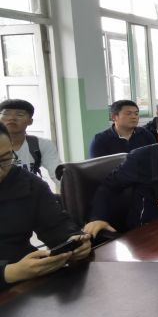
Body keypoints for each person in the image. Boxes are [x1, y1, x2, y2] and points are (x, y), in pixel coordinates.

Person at [0, 122, 91, 291]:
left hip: (25, 275)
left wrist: (73, 240)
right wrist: (8, 273)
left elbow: (55, 225)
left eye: (5, 159)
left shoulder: (27, 183)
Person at [0, 99, 61, 187]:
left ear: (30, 121)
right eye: (6, 114)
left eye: (20, 114)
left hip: (29, 192)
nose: (12, 118)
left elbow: (57, 174)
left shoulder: (41, 145)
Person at [89, 99, 157, 158]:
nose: (134, 117)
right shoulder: (100, 140)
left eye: (136, 114)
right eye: (128, 114)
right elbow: (98, 167)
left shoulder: (145, 134)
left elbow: (154, 159)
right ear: (114, 117)